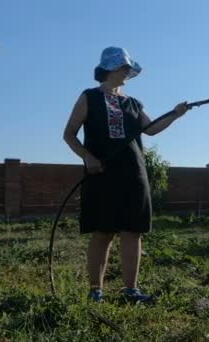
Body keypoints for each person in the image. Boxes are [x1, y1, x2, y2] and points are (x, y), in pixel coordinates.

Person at [63, 46, 189, 303]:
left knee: (133, 231)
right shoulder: (89, 97)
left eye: (129, 68)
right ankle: (95, 291)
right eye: (124, 68)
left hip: (133, 173)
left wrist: (175, 115)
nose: (128, 72)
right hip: (102, 174)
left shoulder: (132, 103)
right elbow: (69, 134)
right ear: (110, 68)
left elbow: (151, 130)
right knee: (103, 231)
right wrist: (88, 157)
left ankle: (131, 291)